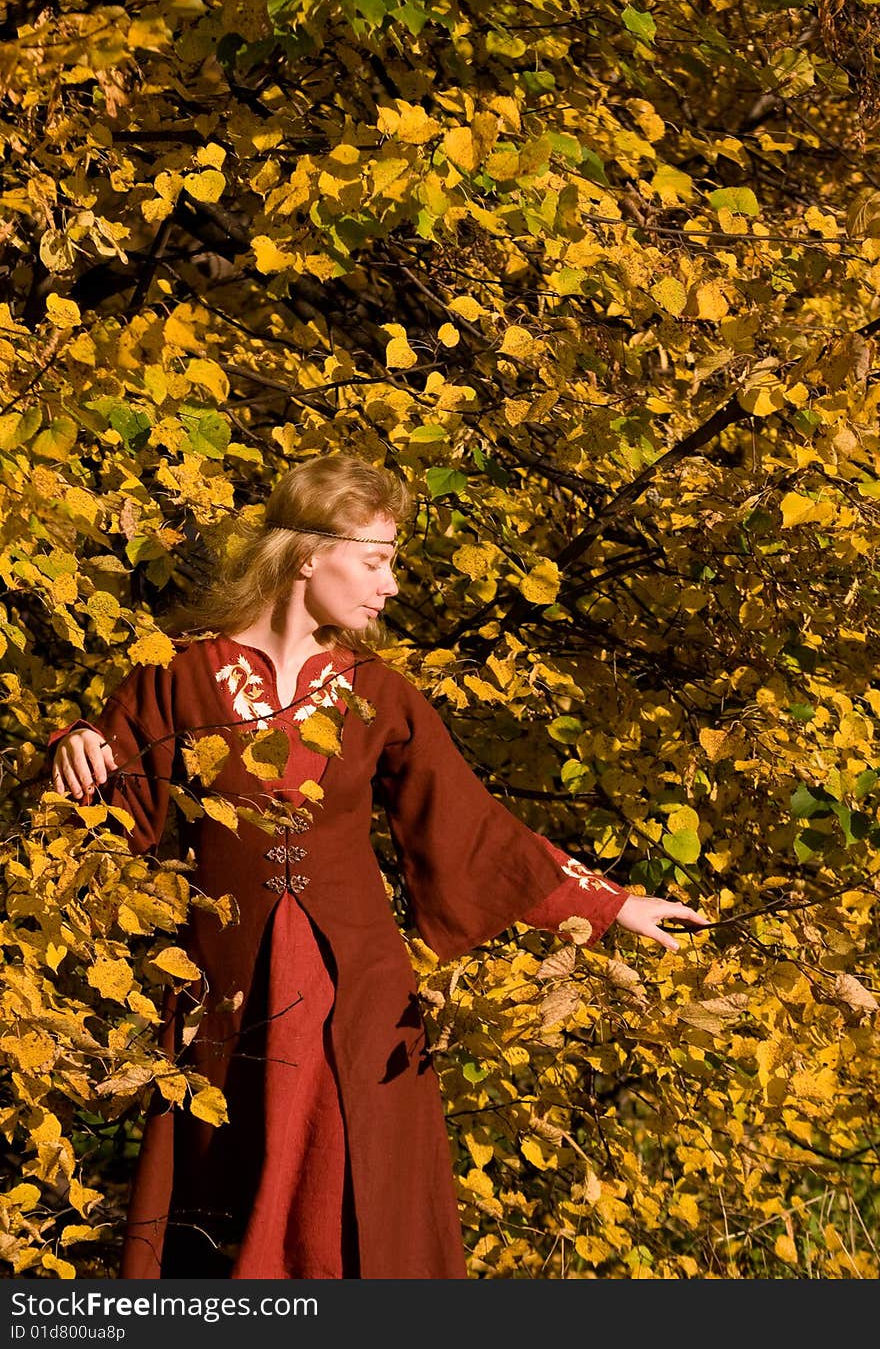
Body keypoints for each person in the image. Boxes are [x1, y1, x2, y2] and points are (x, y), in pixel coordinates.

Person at [48, 452, 709, 1280]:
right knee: (224, 1197)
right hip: (227, 989)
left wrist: (612, 905)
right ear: (306, 556)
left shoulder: (378, 692)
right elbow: (116, 804)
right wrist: (76, 745)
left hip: (355, 994)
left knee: (352, 1194)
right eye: (375, 561)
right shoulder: (177, 677)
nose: (390, 586)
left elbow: (467, 824)